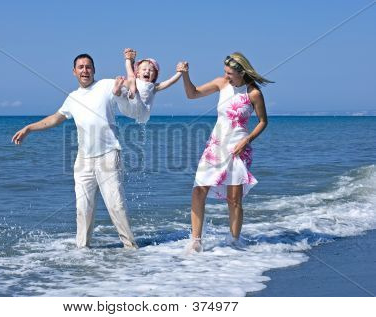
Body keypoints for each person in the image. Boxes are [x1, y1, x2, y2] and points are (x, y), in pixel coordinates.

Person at [11, 53, 138, 249]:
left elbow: (131, 86)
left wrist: (132, 65)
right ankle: (82, 251)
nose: (85, 70)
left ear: (94, 70)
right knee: (83, 209)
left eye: (88, 67)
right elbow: (55, 118)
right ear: (74, 71)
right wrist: (29, 128)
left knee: (116, 206)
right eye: (81, 67)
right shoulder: (72, 97)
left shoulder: (105, 85)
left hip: (108, 155)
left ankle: (130, 248)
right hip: (83, 160)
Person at [178, 52, 273, 252]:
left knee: (234, 198)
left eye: (230, 73)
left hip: (239, 147)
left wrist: (247, 141)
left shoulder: (253, 93)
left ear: (242, 72)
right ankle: (195, 241)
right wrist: (185, 75)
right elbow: (192, 93)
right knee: (198, 190)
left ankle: (234, 242)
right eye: (225, 72)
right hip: (215, 146)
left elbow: (263, 121)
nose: (226, 76)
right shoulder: (221, 84)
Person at [112, 48, 183, 123]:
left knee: (131, 82)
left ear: (155, 76)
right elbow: (132, 76)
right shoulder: (135, 80)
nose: (147, 71)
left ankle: (128, 60)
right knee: (125, 90)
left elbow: (170, 82)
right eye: (144, 69)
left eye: (151, 70)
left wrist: (180, 72)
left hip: (141, 110)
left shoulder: (154, 86)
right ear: (138, 73)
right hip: (128, 107)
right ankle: (118, 92)